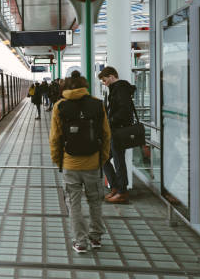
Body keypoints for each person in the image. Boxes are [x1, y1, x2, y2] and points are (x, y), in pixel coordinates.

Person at [50, 70, 111, 253]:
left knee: (74, 204)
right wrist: (103, 157)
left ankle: (80, 241)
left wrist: (58, 159)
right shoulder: (97, 105)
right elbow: (106, 135)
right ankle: (96, 237)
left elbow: (55, 138)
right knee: (95, 201)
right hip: (93, 163)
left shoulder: (59, 106)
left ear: (65, 87)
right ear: (85, 86)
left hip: (70, 164)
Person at [98, 66, 136, 203]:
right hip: (115, 130)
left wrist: (110, 120)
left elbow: (125, 111)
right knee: (103, 158)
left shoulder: (120, 89)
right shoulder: (115, 89)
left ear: (111, 76)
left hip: (119, 131)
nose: (104, 82)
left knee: (119, 162)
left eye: (104, 80)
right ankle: (115, 187)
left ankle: (122, 192)